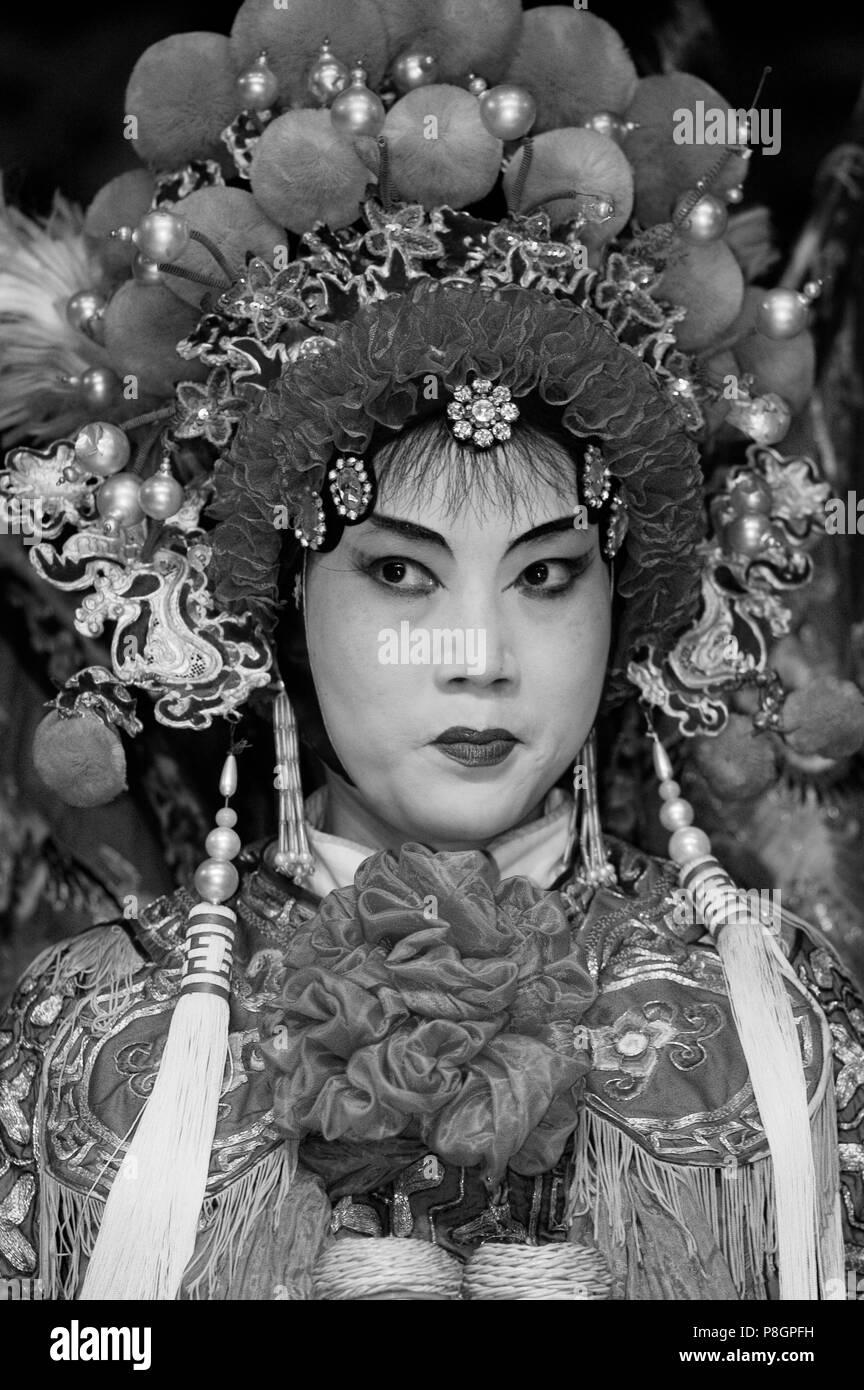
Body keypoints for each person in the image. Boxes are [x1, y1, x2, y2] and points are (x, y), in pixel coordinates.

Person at [1, 0, 863, 1302]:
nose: (482, 656)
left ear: (626, 606)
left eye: (548, 577)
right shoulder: (92, 1037)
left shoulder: (776, 1026)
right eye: (401, 574)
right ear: (282, 602)